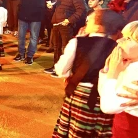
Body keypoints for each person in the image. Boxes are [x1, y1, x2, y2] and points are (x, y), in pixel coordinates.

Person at [53, 9, 127, 137]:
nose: (86, 24)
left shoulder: (77, 42)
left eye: (89, 21)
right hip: (104, 98)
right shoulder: (119, 48)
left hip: (80, 96)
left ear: (98, 27)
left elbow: (61, 70)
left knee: (75, 131)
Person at [11, 0, 55, 65]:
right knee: (21, 36)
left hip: (36, 11)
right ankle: (21, 53)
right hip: (24, 10)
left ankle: (30, 55)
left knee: (34, 36)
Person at [99, 21, 138, 138]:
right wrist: (107, 70)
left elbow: (108, 106)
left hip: (130, 129)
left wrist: (112, 74)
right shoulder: (128, 65)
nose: (118, 41)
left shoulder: (134, 70)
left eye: (128, 39)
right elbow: (104, 93)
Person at [44, 0, 87, 76]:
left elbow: (82, 10)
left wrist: (69, 20)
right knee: (57, 47)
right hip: (56, 24)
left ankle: (66, 69)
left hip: (66, 26)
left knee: (66, 48)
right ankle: (56, 66)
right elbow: (58, 8)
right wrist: (51, 8)